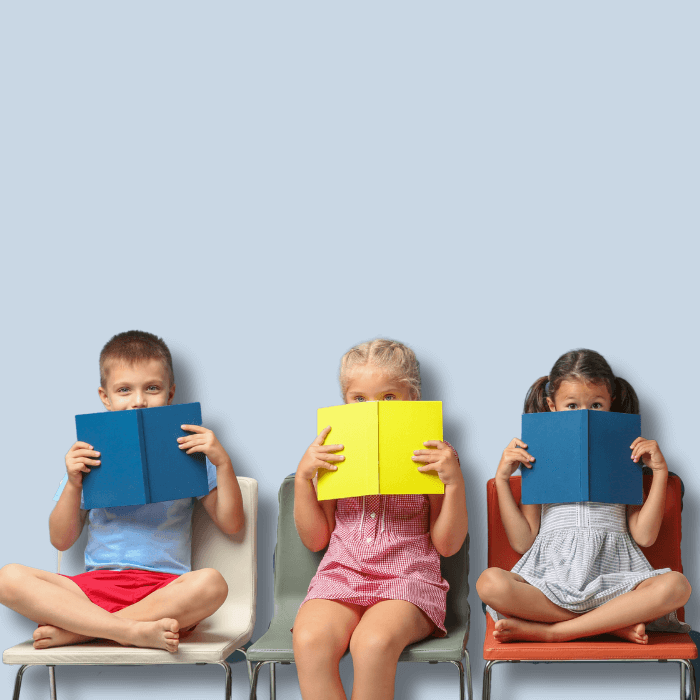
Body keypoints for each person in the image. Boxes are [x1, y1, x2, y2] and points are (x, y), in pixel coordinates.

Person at [0, 330, 244, 652]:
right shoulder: (90, 453)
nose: (138, 400)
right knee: (8, 577)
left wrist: (223, 462)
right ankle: (130, 631)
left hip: (162, 591)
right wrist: (74, 482)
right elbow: (61, 539)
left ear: (170, 394)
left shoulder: (191, 450)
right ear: (106, 397)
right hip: (93, 590)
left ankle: (83, 633)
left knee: (212, 584)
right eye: (124, 390)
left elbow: (232, 524)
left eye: (152, 388)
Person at [292, 339, 468, 700]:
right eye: (359, 398)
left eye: (388, 397)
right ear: (345, 403)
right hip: (341, 576)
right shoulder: (332, 452)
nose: (373, 408)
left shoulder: (434, 455)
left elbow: (447, 545)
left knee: (371, 644)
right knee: (309, 639)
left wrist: (452, 483)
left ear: (412, 399)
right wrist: (302, 479)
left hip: (408, 581)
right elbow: (315, 539)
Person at [476, 348, 691, 644]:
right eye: (572, 405)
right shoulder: (538, 453)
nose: (585, 414)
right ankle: (612, 623)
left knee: (677, 586)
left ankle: (554, 632)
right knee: (489, 583)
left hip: (615, 576)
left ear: (611, 403)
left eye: (597, 404)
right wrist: (502, 479)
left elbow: (644, 536)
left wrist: (660, 471)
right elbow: (523, 541)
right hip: (552, 575)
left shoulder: (624, 450)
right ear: (552, 406)